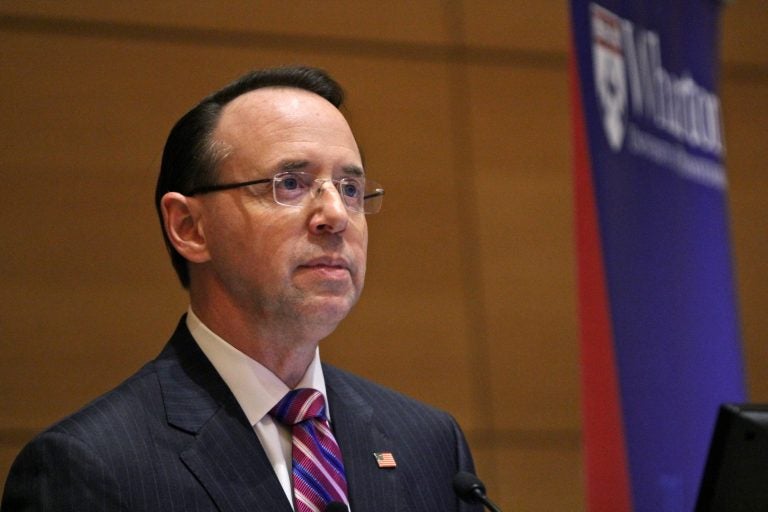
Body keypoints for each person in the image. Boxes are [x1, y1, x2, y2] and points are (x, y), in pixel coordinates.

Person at [1, 66, 481, 511]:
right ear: (190, 227)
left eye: (350, 188)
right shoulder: (87, 470)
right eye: (290, 184)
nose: (336, 215)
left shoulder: (431, 445)